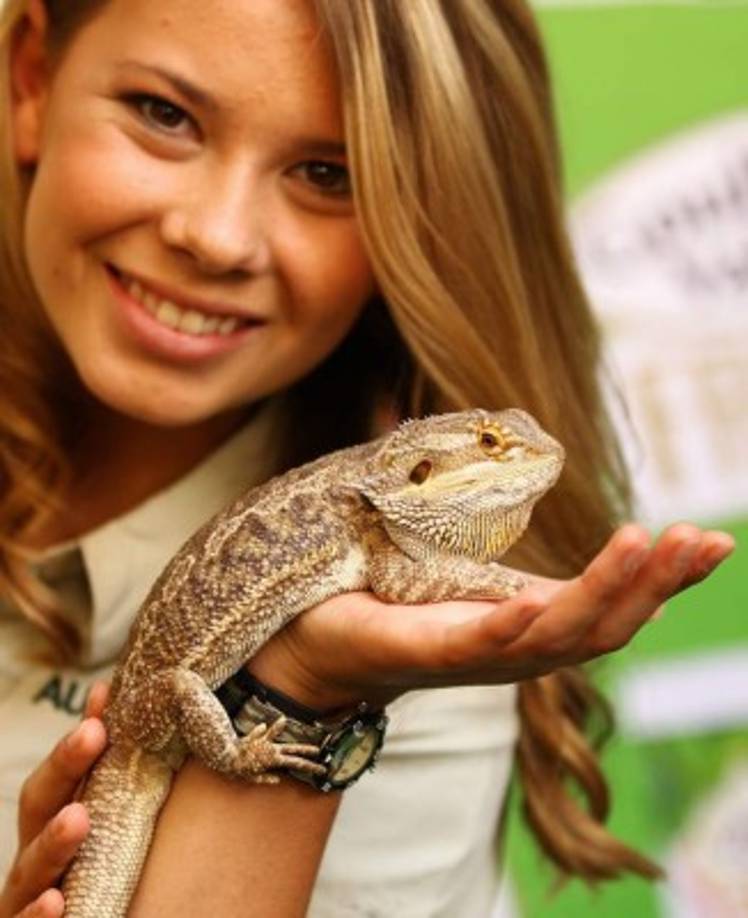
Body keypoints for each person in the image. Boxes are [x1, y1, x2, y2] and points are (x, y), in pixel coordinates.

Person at [0, 0, 734, 915]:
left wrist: (307, 685)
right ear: (31, 72)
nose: (215, 236)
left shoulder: (423, 668)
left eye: (325, 172)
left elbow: (410, 585)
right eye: (164, 113)